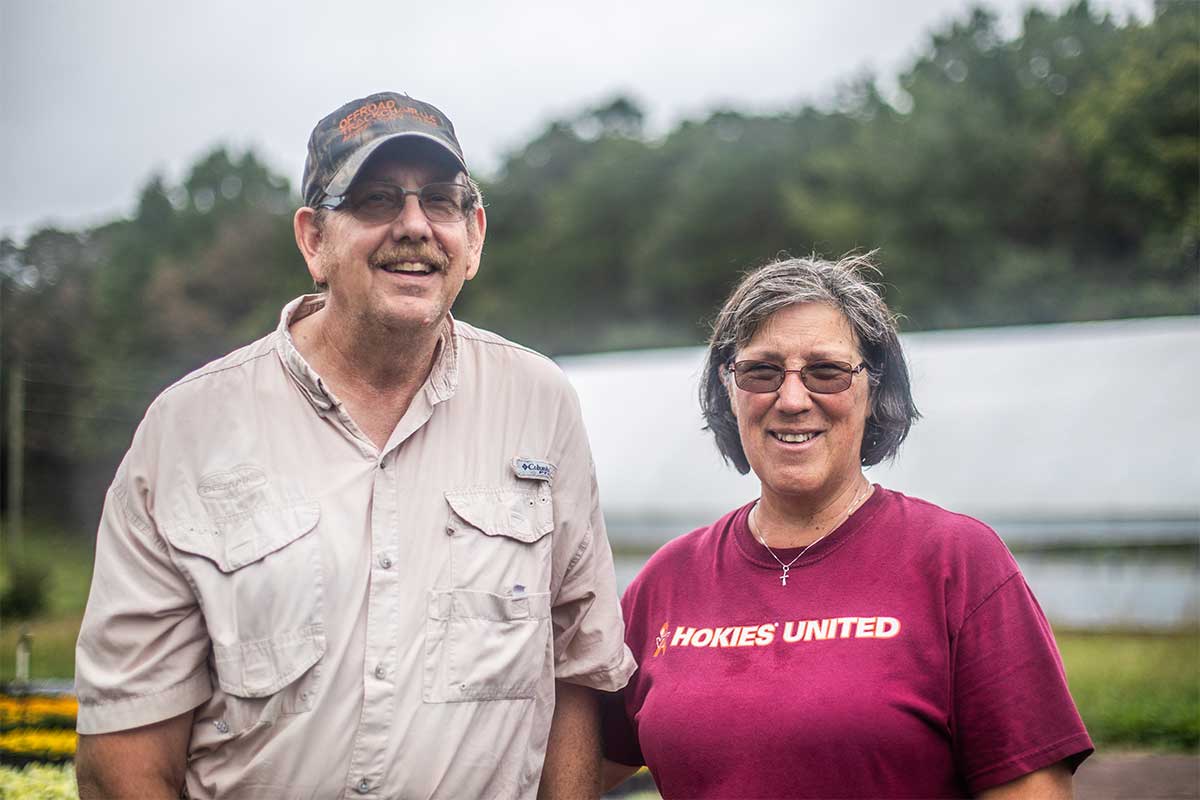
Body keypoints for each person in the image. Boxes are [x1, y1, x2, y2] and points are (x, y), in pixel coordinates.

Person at [73, 91, 635, 799]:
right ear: (314, 240)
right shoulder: (188, 428)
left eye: (441, 200)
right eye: (374, 200)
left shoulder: (539, 404)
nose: (414, 226)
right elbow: (125, 745)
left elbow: (576, 669)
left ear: (475, 234)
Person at [601, 255, 1092, 799]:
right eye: (760, 371)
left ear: (875, 389)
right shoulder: (669, 579)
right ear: (729, 388)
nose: (791, 399)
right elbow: (570, 762)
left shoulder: (958, 561)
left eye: (826, 372)